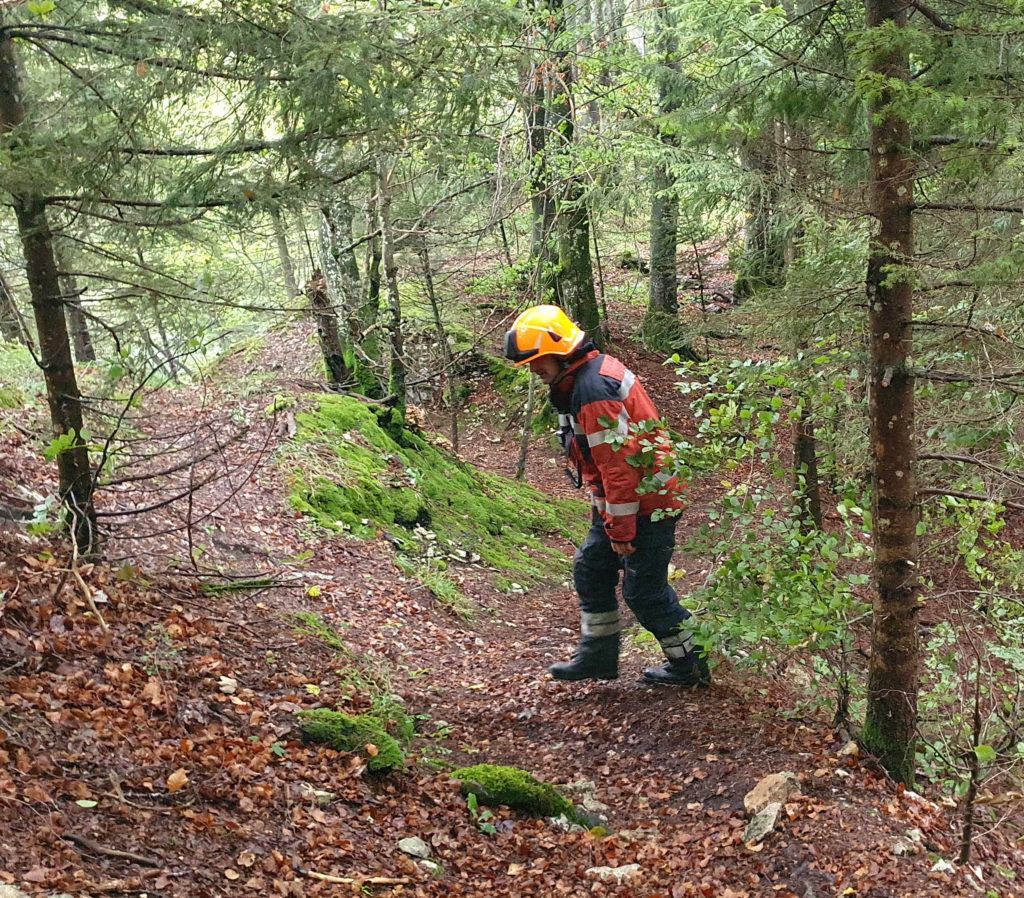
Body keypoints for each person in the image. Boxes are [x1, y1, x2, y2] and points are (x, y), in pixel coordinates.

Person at [504, 304, 710, 687]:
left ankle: (693, 666)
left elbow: (620, 469)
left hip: (649, 505)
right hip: (628, 502)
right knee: (591, 568)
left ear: (560, 350)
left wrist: (621, 530)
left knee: (645, 594)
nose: (533, 370)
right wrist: (611, 521)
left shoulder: (593, 388)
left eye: (536, 361)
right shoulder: (579, 381)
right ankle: (599, 656)